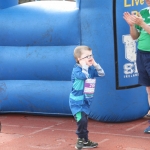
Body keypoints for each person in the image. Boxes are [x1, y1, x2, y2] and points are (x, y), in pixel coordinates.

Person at [69, 45, 105, 149]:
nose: (90, 58)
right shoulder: (77, 70)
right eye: (87, 56)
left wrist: (95, 64)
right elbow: (83, 76)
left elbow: (102, 74)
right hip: (76, 102)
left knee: (84, 120)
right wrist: (84, 65)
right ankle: (80, 139)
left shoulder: (90, 69)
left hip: (86, 101)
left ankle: (85, 141)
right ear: (79, 59)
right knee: (82, 120)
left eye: (91, 55)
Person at [123, 0, 150, 133]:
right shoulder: (143, 12)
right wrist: (132, 25)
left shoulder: (143, 18)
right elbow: (135, 37)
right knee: (149, 89)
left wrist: (143, 24)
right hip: (142, 54)